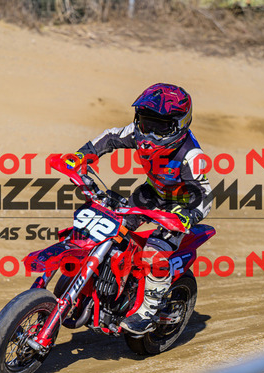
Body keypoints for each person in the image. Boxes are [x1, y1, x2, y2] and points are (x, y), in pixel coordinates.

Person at [68, 83, 212, 334]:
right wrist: (81, 156)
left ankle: (148, 312)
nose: (150, 134)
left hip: (178, 207)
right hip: (150, 194)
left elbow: (204, 194)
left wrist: (187, 216)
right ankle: (106, 286)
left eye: (160, 127)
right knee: (108, 227)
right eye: (146, 124)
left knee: (153, 253)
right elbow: (111, 137)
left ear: (179, 125)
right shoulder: (136, 132)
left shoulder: (191, 155)